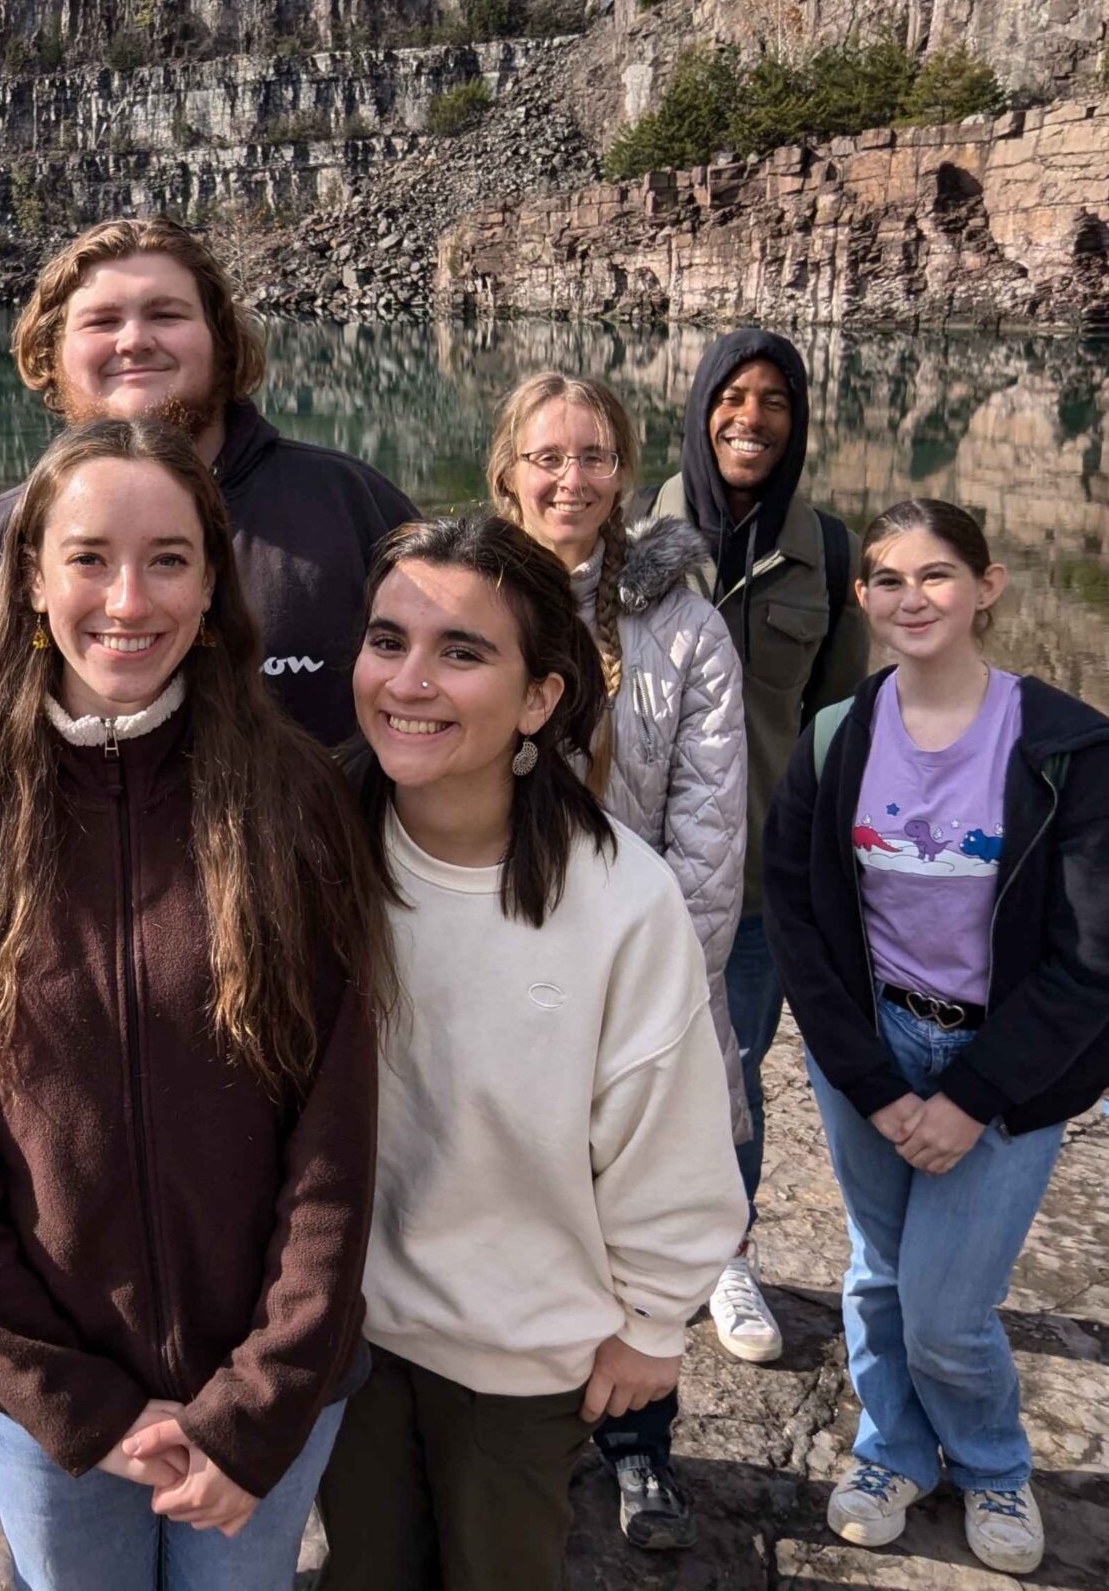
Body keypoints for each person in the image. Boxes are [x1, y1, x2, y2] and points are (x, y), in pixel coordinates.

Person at [0, 417, 385, 1591]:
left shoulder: (293, 805)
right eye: (90, 556)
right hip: (49, 1414)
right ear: (33, 580)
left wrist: (260, 1402)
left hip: (266, 1397)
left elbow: (336, 1142)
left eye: (168, 559)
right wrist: (77, 1405)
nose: (127, 597)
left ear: (213, 586)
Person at [316, 515, 747, 1591]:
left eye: (462, 652)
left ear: (541, 696)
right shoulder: (312, 841)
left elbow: (666, 1128)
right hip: (345, 1329)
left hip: (521, 1356)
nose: (409, 681)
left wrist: (653, 1320)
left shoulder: (619, 896)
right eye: (386, 640)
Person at [765, 499, 1109, 1577]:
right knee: (879, 1273)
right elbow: (798, 917)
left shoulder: (1069, 751)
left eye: (936, 576)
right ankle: (894, 1451)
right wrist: (870, 1080)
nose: (910, 598)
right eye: (886, 579)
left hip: (1010, 1067)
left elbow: (1093, 955)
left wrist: (973, 1093)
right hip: (876, 1051)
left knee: (944, 1309)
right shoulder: (837, 739)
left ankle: (990, 1463)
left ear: (988, 587)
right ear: (861, 600)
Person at [487, 372, 748, 1552]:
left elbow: (707, 825)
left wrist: (675, 997)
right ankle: (509, 1426)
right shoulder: (465, 595)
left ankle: (640, 1444)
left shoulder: (683, 626)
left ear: (623, 472)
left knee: (633, 1199)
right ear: (507, 472)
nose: (570, 480)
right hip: (488, 954)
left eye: (592, 457)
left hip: (630, 969)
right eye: (547, 458)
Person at [0, 216, 416, 745]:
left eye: (166, 314)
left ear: (221, 341)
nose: (133, 341)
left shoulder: (351, 504)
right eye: (102, 321)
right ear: (54, 353)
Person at [642, 328, 870, 1359]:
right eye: (733, 396)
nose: (752, 418)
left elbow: (840, 725)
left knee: (730, 1065)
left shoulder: (827, 549)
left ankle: (725, 1257)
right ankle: (620, 1249)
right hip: (631, 869)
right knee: (611, 1066)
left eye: (775, 400)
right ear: (698, 408)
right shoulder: (638, 536)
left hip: (756, 882)